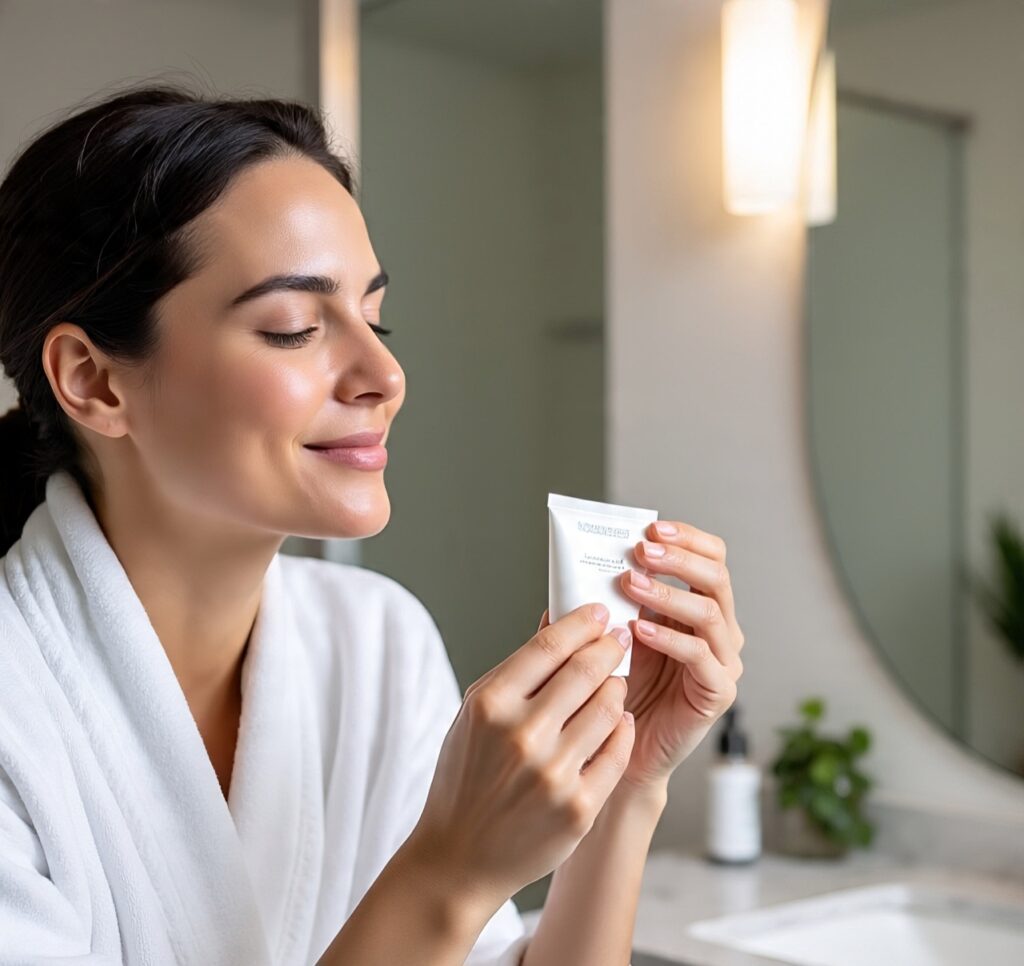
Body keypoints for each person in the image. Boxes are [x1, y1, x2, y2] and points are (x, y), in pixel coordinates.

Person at [0, 80, 745, 966]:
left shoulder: (375, 640)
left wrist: (624, 786)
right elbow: (436, 908)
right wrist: (447, 874)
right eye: (291, 328)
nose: (383, 374)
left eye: (376, 316)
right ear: (93, 380)